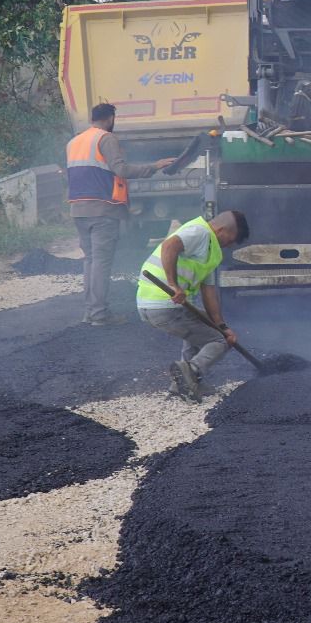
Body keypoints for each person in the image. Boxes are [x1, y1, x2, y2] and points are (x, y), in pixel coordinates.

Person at [66, 103, 174, 326]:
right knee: (101, 262)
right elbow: (121, 170)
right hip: (102, 209)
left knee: (90, 260)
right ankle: (98, 314)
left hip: (78, 209)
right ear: (110, 118)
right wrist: (154, 166)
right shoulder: (106, 139)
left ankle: (90, 312)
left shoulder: (74, 142)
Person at [135, 210, 251, 401]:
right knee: (219, 341)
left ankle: (183, 383)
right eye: (232, 239)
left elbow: (209, 291)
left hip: (154, 305)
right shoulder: (200, 232)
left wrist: (222, 326)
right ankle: (191, 372)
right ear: (222, 230)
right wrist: (174, 285)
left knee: (205, 325)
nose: (231, 244)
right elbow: (169, 246)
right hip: (164, 303)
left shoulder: (212, 252)